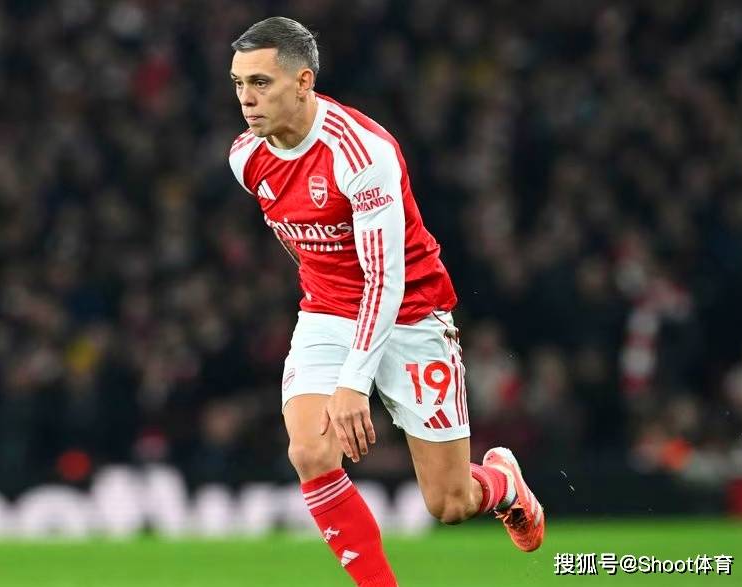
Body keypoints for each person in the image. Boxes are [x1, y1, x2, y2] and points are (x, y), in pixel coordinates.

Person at [227, 17, 544, 586]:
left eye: (260, 83)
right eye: (239, 84)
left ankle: (501, 483)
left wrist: (353, 382)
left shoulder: (361, 153)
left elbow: (384, 279)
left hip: (410, 313)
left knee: (449, 503)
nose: (246, 99)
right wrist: (326, 307)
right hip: (327, 312)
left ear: (303, 82)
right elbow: (302, 243)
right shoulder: (246, 158)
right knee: (310, 453)